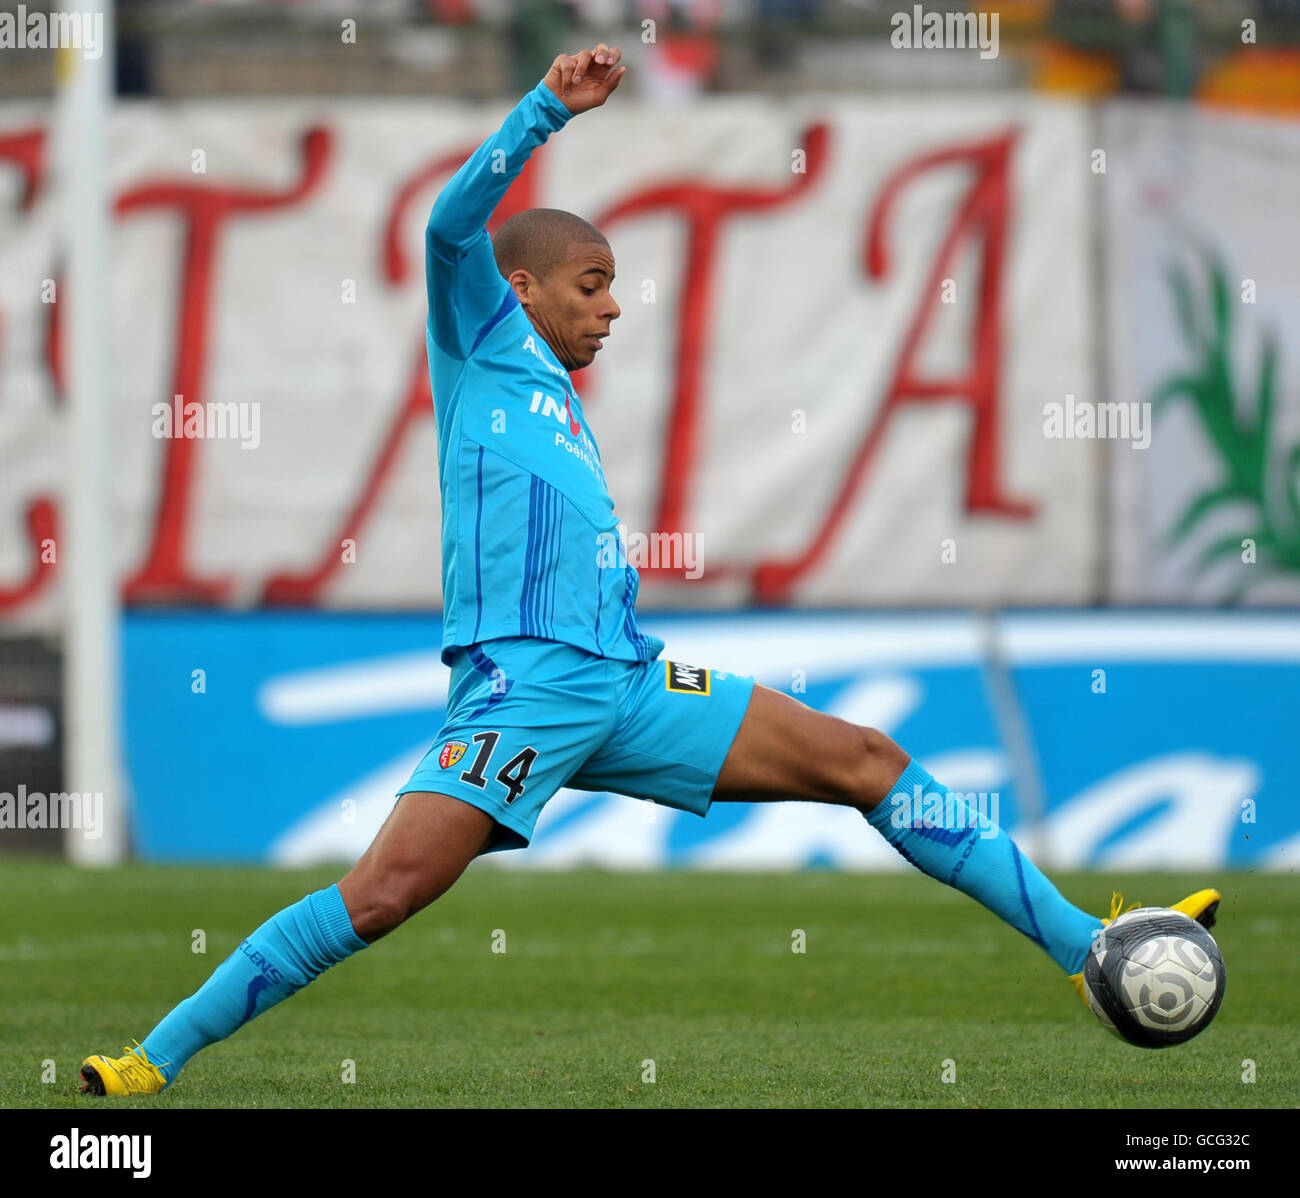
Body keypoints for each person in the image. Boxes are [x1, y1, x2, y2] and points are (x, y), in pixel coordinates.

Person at [79, 44, 1218, 1097]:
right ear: (520, 286)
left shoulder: (551, 393)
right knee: (381, 896)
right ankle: (151, 1062)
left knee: (865, 758)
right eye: (591, 281)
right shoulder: (479, 334)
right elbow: (445, 224)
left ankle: (1087, 948)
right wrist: (542, 114)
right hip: (525, 688)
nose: (612, 304)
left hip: (622, 681)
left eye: (614, 283)